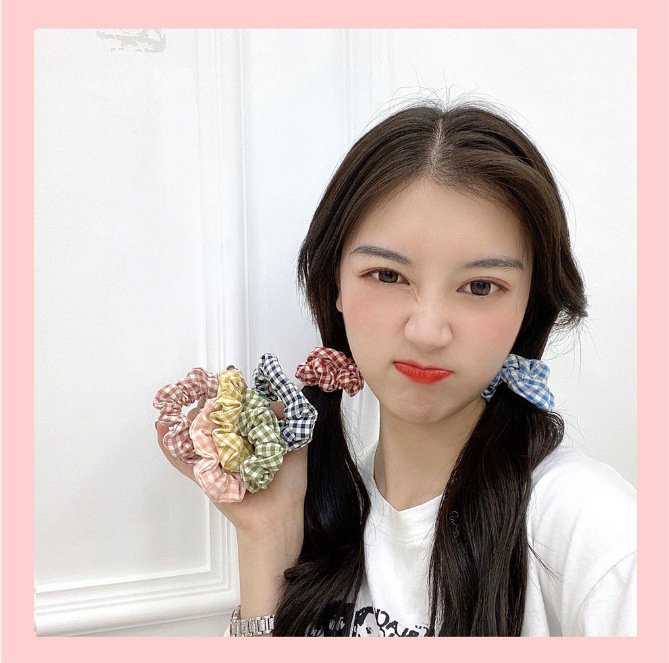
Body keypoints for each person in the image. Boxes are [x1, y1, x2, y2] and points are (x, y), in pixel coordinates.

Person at [157, 100, 636, 637]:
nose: (427, 331)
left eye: (481, 286)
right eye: (387, 275)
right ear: (335, 284)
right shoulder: (328, 508)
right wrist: (266, 537)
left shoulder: (594, 531)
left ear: (530, 303)